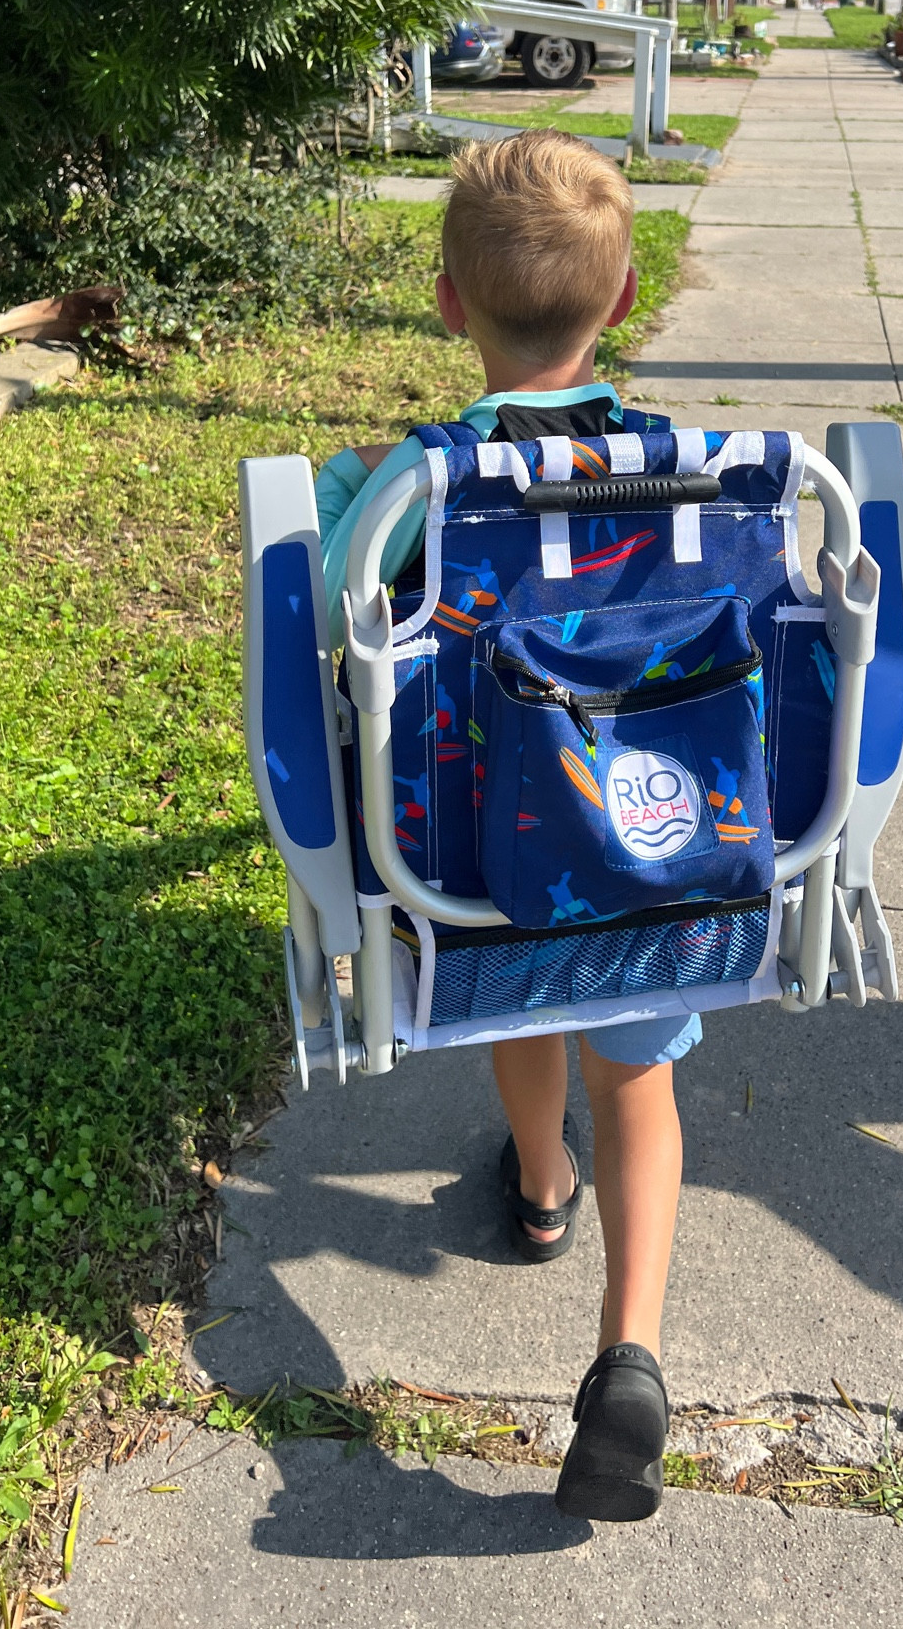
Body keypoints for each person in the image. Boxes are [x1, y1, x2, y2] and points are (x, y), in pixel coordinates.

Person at [314, 132, 688, 1524]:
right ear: (627, 295)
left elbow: (327, 635)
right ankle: (630, 1351)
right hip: (659, 851)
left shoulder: (405, 485)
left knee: (523, 1001)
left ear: (449, 303)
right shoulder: (696, 469)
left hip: (480, 856)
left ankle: (539, 1192)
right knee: (639, 1084)